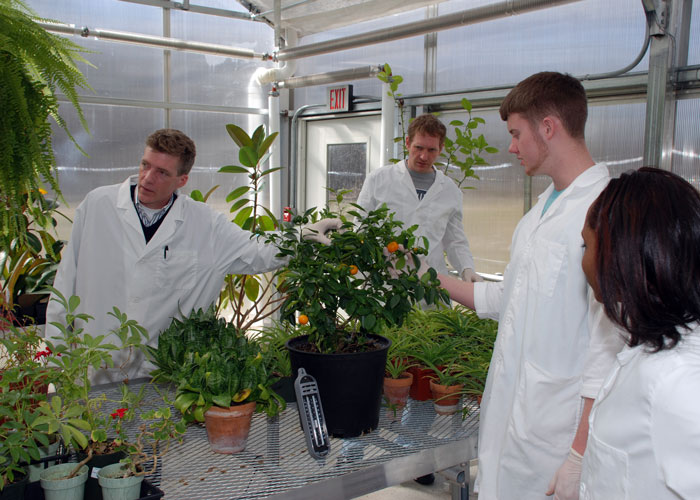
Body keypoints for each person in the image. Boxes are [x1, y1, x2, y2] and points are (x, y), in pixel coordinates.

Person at [436, 72, 624, 499]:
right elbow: (508, 298)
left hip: (555, 437)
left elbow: (608, 347)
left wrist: (579, 454)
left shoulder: (604, 212)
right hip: (513, 420)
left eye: (517, 134)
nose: (511, 146)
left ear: (549, 127)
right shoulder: (539, 211)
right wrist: (427, 277)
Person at [45, 128, 338, 384]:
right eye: (145, 165)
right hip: (95, 369)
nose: (148, 178)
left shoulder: (206, 225)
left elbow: (257, 251)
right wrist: (54, 363)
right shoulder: (97, 205)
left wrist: (303, 236)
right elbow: (65, 282)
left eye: (162, 172)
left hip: (160, 374)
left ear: (182, 180)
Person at [579, 167, 700, 499]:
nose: (584, 261)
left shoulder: (679, 383)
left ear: (617, 255)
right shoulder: (649, 346)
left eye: (585, 246)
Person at [356, 113, 482, 283]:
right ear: (408, 143)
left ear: (441, 149)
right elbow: (360, 227)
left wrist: (467, 269)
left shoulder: (450, 191)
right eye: (419, 148)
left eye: (431, 150)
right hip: (387, 282)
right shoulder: (378, 180)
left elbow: (455, 240)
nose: (424, 156)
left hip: (431, 284)